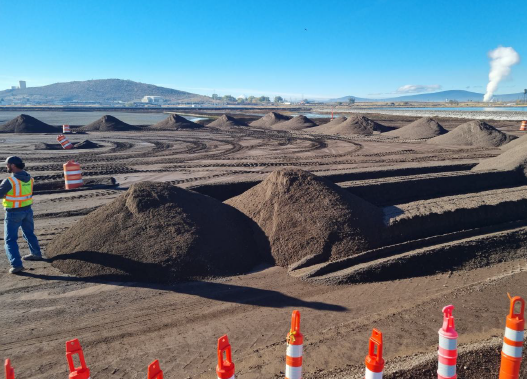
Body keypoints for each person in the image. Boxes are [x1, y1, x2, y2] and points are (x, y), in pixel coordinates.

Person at [0, 156, 43, 274]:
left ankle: (16, 265)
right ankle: (36, 253)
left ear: (13, 165)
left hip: (14, 213)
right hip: (27, 211)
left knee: (10, 240)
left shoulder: (10, 181)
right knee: (29, 233)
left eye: (7, 164)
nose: (6, 166)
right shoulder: (29, 178)